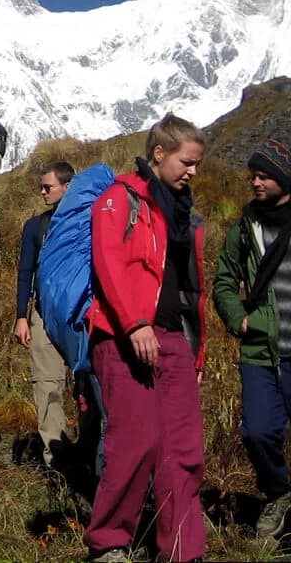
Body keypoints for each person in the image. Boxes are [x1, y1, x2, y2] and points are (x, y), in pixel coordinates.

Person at [83, 113, 207, 563]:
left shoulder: (182, 213)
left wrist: (197, 346)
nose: (193, 172)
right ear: (159, 154)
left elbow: (188, 285)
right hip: (122, 335)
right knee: (135, 443)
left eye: (197, 164)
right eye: (186, 162)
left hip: (175, 338)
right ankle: (110, 543)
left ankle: (181, 550)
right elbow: (108, 262)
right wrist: (135, 323)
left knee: (182, 449)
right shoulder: (120, 200)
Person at [212, 138, 291, 539]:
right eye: (253, 176)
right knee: (257, 431)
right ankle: (280, 494)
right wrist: (237, 319)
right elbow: (224, 280)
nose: (256, 183)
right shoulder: (245, 228)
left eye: (264, 176)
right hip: (261, 351)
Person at [11, 161, 75, 466]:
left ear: (67, 186)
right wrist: (21, 316)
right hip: (42, 312)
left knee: (87, 385)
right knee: (46, 383)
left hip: (80, 315)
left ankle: (88, 451)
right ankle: (56, 458)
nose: (42, 192)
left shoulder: (88, 223)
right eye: (41, 186)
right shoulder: (35, 226)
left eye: (48, 187)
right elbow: (25, 272)